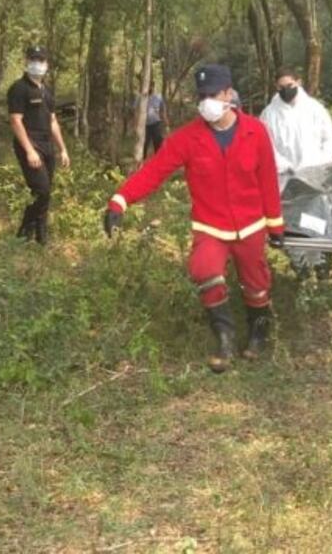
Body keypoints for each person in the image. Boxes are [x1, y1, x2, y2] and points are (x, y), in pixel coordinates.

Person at [103, 64, 284, 373]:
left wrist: (275, 223)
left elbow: (268, 178)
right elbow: (153, 171)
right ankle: (225, 337)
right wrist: (119, 201)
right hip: (210, 225)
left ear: (228, 94)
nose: (206, 102)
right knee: (204, 270)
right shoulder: (187, 138)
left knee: (256, 284)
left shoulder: (256, 131)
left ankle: (258, 332)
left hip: (250, 224)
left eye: (212, 94)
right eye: (201, 96)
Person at [7, 46, 71, 245]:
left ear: (47, 64)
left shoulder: (47, 91)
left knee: (46, 192)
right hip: (29, 142)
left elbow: (53, 121)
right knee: (41, 189)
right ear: (27, 61)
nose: (38, 64)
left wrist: (63, 149)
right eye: (34, 59)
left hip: (47, 143)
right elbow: (15, 121)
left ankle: (41, 235)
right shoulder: (19, 88)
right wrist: (29, 151)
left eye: (41, 60)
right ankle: (24, 231)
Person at [259, 68, 332, 178]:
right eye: (281, 87)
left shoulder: (315, 109)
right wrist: (283, 166)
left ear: (298, 82)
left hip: (315, 173)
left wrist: (322, 162)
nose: (286, 90)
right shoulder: (268, 114)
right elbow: (265, 143)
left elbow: (329, 138)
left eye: (289, 85)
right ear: (276, 87)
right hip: (283, 175)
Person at [137, 83, 169, 158]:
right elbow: (136, 111)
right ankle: (142, 161)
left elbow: (163, 111)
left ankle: (159, 160)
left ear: (153, 87)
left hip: (156, 124)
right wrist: (136, 125)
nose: (150, 88)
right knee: (144, 144)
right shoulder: (140, 97)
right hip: (144, 125)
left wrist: (166, 123)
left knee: (158, 143)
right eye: (148, 86)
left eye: (151, 86)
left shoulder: (158, 97)